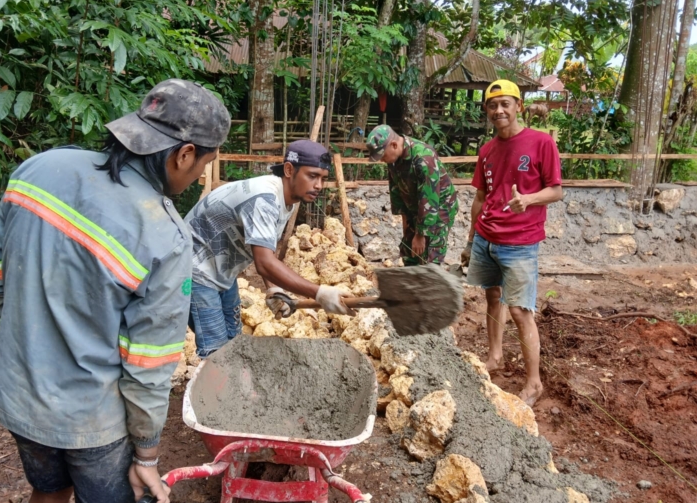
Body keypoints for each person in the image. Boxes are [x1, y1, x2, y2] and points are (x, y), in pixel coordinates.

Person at [0, 79, 230, 503]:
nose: (196, 178)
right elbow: (149, 368)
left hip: (19, 394)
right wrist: (147, 456)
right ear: (184, 154)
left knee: (47, 495)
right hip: (90, 419)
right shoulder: (164, 235)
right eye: (205, 166)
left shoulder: (39, 167)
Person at [184, 140, 354, 358]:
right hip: (193, 271)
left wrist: (273, 289)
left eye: (323, 178)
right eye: (312, 176)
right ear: (289, 170)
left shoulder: (285, 200)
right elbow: (264, 263)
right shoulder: (265, 198)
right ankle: (214, 390)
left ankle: (232, 388)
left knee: (233, 342)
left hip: (220, 271)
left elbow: (264, 248)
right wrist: (319, 293)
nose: (319, 185)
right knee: (216, 352)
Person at [461, 79, 563, 406]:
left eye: (505, 103)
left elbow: (556, 191)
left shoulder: (541, 142)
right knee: (492, 298)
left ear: (519, 106)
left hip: (520, 242)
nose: (499, 110)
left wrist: (529, 200)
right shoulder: (487, 151)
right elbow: (480, 196)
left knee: (520, 310)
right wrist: (470, 239)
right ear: (487, 112)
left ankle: (534, 383)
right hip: (487, 238)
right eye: (492, 105)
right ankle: (494, 357)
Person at [365, 124, 458, 266]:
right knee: (409, 251)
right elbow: (397, 190)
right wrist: (407, 226)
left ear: (394, 145)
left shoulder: (423, 158)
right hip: (416, 207)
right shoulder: (394, 159)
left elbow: (430, 200)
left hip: (439, 209)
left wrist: (421, 235)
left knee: (429, 257)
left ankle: (430, 284)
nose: (381, 160)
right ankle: (412, 285)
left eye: (382, 156)